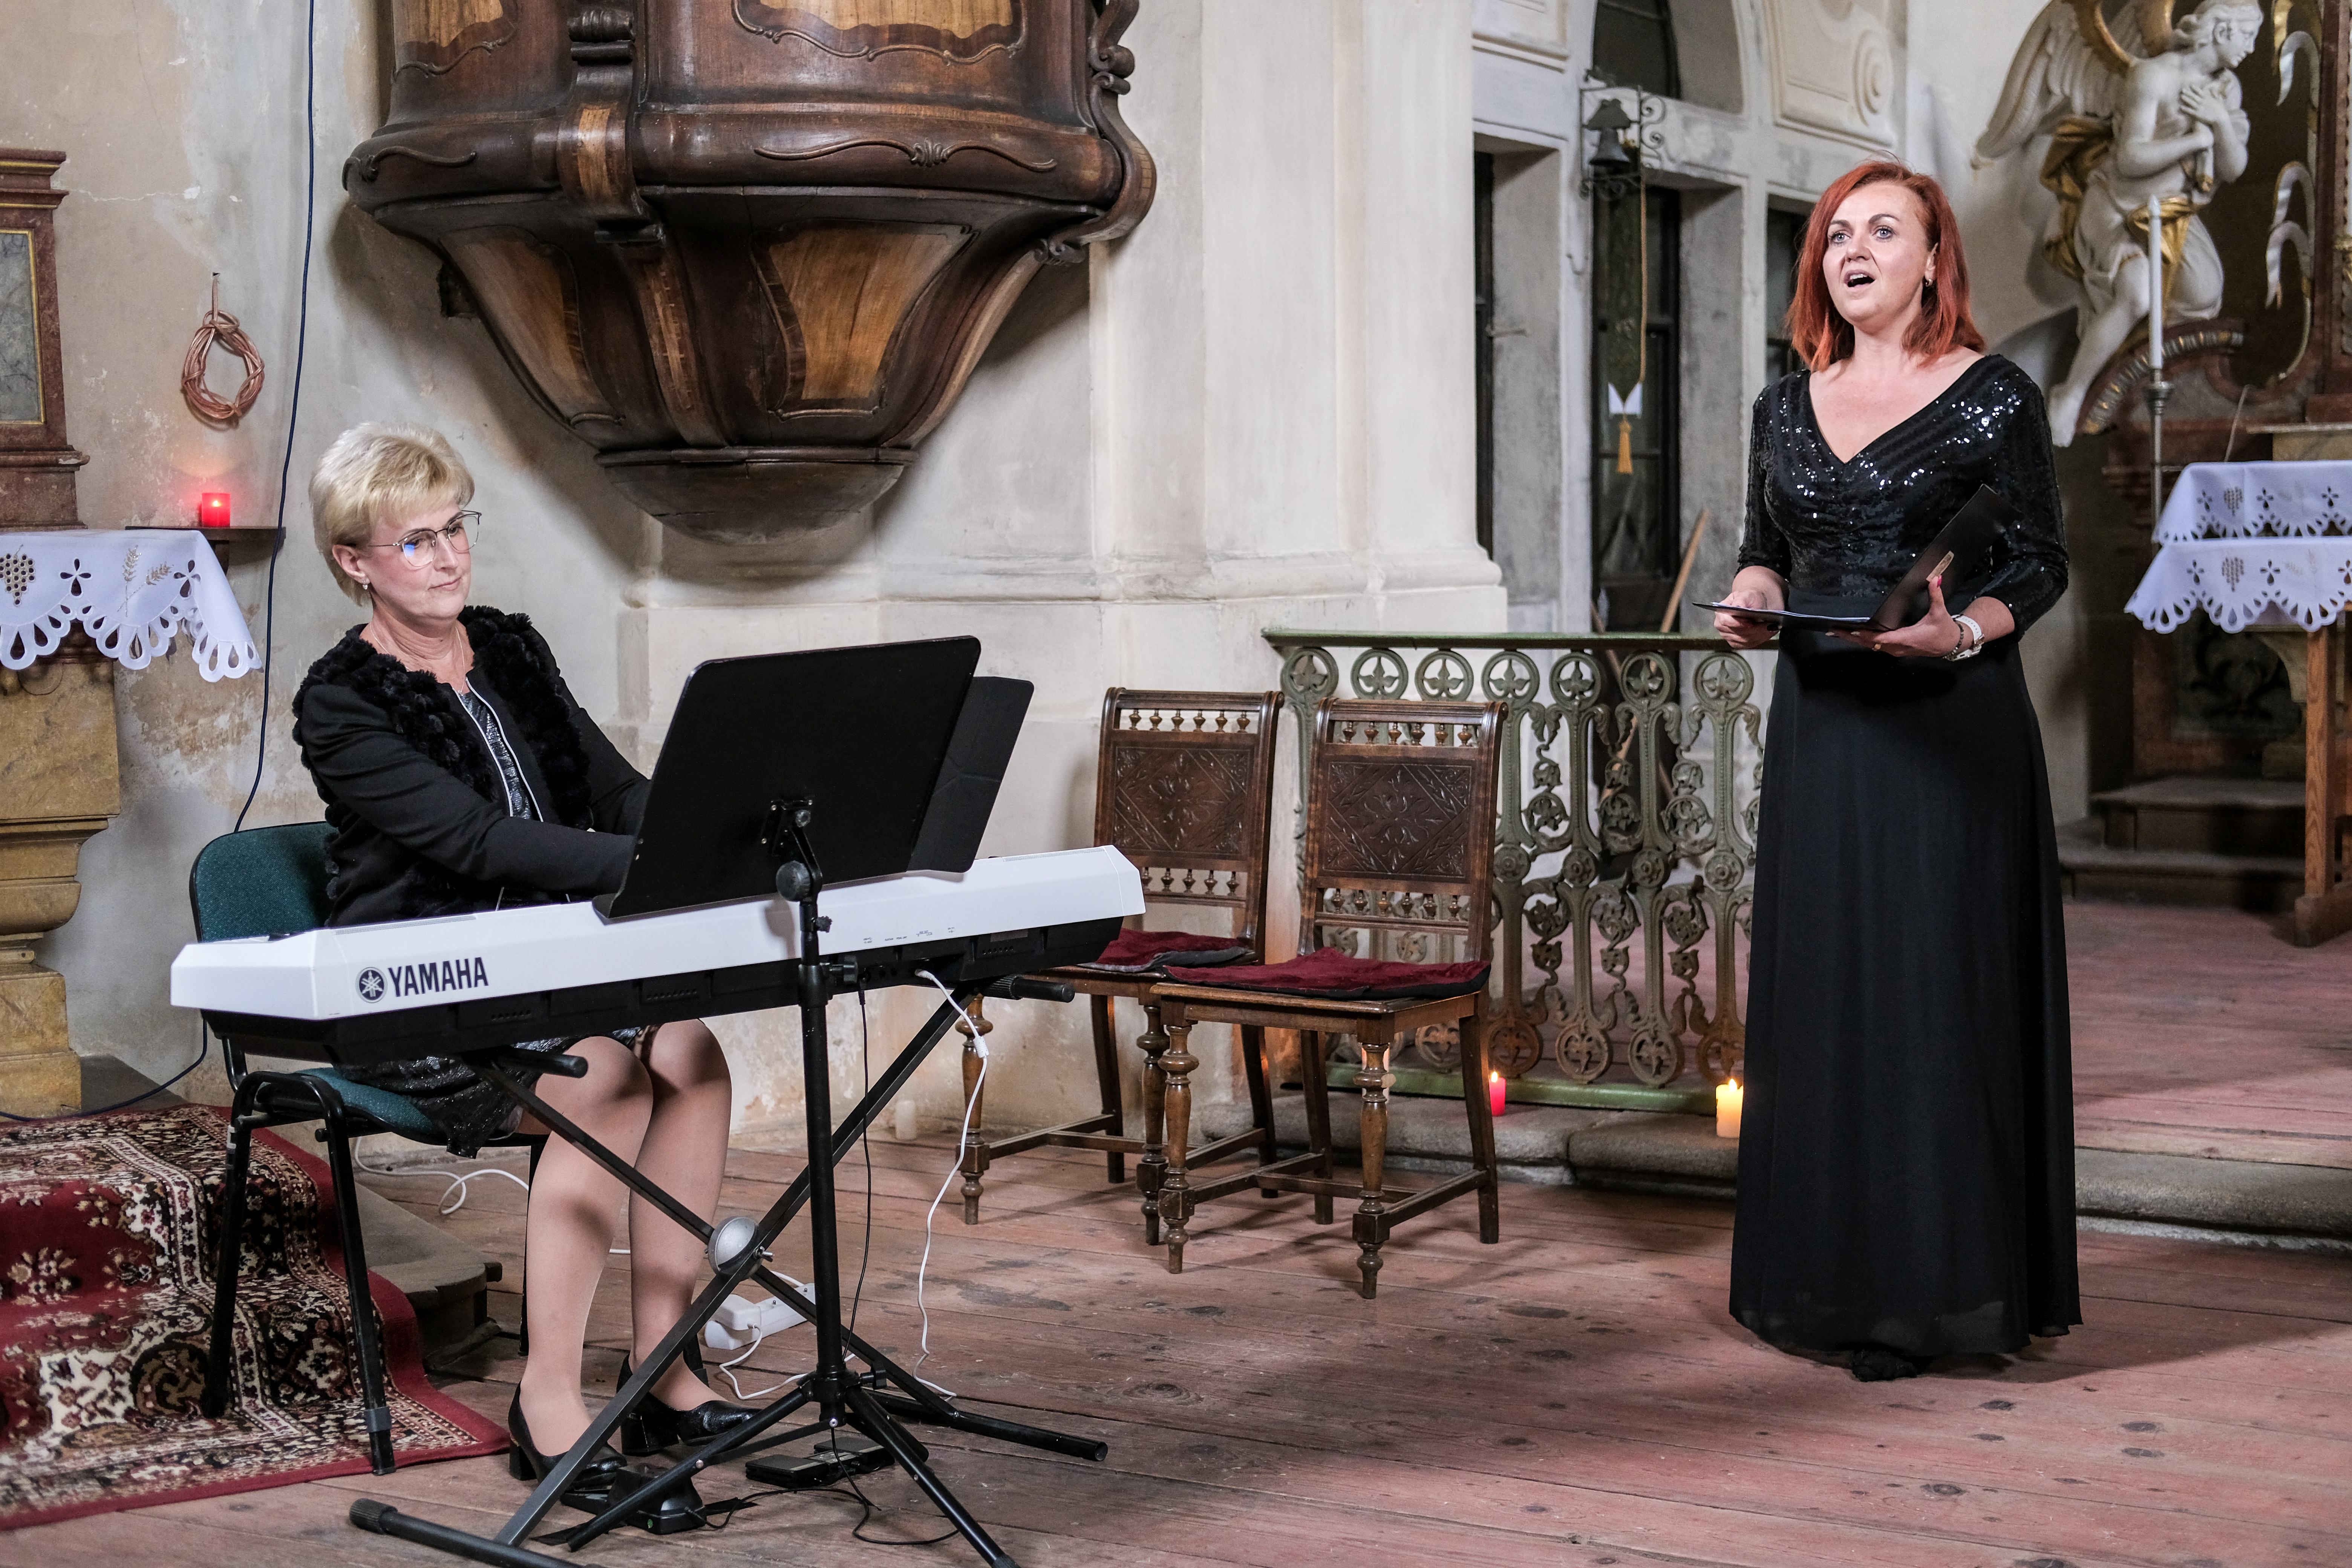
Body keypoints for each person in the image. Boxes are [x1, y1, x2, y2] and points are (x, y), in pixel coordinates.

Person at [291, 423, 753, 1493]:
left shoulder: (509, 647)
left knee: (691, 1053)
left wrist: (706, 838)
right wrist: (648, 867)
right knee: (604, 1080)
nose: (449, 556)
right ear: (354, 561)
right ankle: (546, 1401)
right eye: (415, 541)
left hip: (554, 965)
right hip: (420, 988)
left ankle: (663, 1374)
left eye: (456, 527)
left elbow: (612, 788)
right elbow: (476, 842)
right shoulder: (342, 701)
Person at [1715, 162, 2080, 1382]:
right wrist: (1753, 597)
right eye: (1837, 234)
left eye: (1884, 230)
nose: (1854, 250)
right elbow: (1766, 550)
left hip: (1947, 727)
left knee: (1934, 997)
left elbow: (2039, 563)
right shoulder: (1782, 406)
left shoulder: (1994, 397)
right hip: (1825, 725)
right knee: (1832, 996)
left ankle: (1942, 1289)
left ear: (1933, 260)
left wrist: (1962, 631)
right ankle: (1833, 1279)